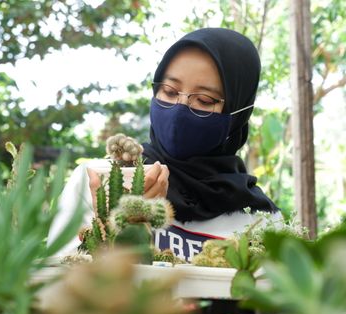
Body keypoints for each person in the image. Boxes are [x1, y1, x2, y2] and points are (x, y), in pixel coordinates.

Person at [47, 28, 281, 260]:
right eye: (169, 92)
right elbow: (56, 286)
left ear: (237, 114)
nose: (180, 110)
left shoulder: (260, 218)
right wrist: (114, 228)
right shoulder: (98, 182)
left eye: (204, 100)